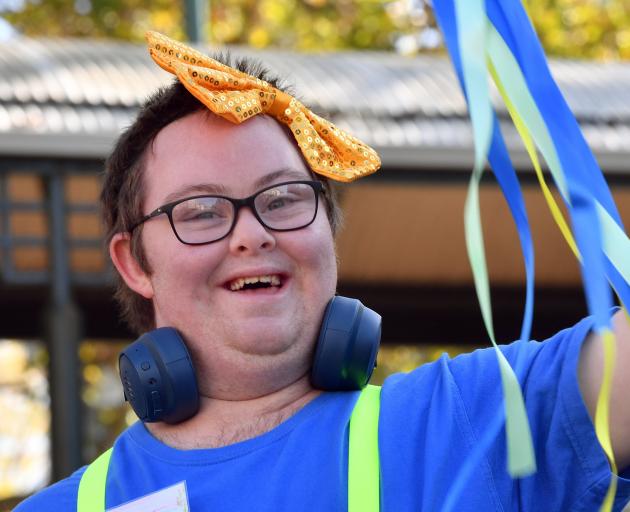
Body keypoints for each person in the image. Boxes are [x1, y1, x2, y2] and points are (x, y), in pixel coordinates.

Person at [16, 32, 630, 511]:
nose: (253, 233)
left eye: (283, 198)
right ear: (134, 262)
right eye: (201, 212)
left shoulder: (469, 421)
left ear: (328, 229)